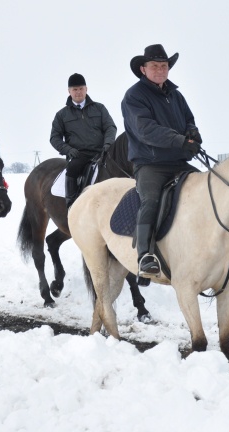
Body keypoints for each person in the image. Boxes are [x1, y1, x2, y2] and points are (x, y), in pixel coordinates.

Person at [122, 44, 202, 278]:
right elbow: (145, 129)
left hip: (179, 161)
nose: (160, 70)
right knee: (151, 201)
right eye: (155, 66)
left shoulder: (176, 95)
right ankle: (145, 255)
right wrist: (179, 140)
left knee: (208, 191)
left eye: (164, 66)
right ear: (143, 69)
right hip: (151, 164)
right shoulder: (134, 96)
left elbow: (189, 120)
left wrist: (193, 134)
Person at [50, 73, 117, 208]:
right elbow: (54, 137)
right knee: (72, 169)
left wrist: (108, 144)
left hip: (102, 151)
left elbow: (110, 127)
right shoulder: (62, 115)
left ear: (86, 89)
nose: (78, 92)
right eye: (75, 89)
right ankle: (71, 205)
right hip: (79, 154)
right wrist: (68, 150)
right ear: (69, 91)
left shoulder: (100, 108)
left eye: (81, 88)